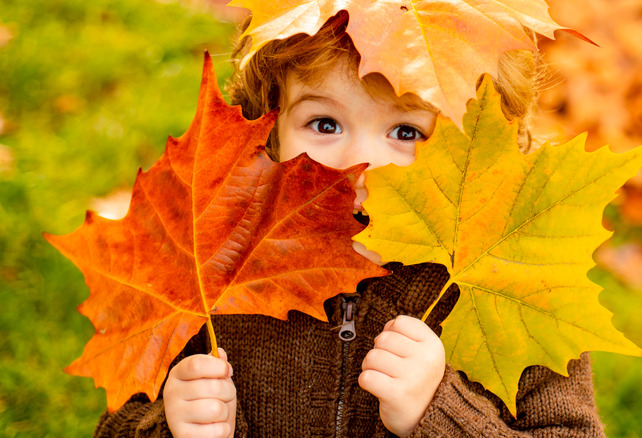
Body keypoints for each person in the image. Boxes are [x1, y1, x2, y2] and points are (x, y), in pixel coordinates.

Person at [94, 11, 605, 438]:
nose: (360, 163)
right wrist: (170, 425)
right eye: (325, 124)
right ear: (269, 128)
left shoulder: (513, 284)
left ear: (478, 151)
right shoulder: (212, 267)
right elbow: (118, 421)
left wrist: (439, 411)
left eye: (406, 131)